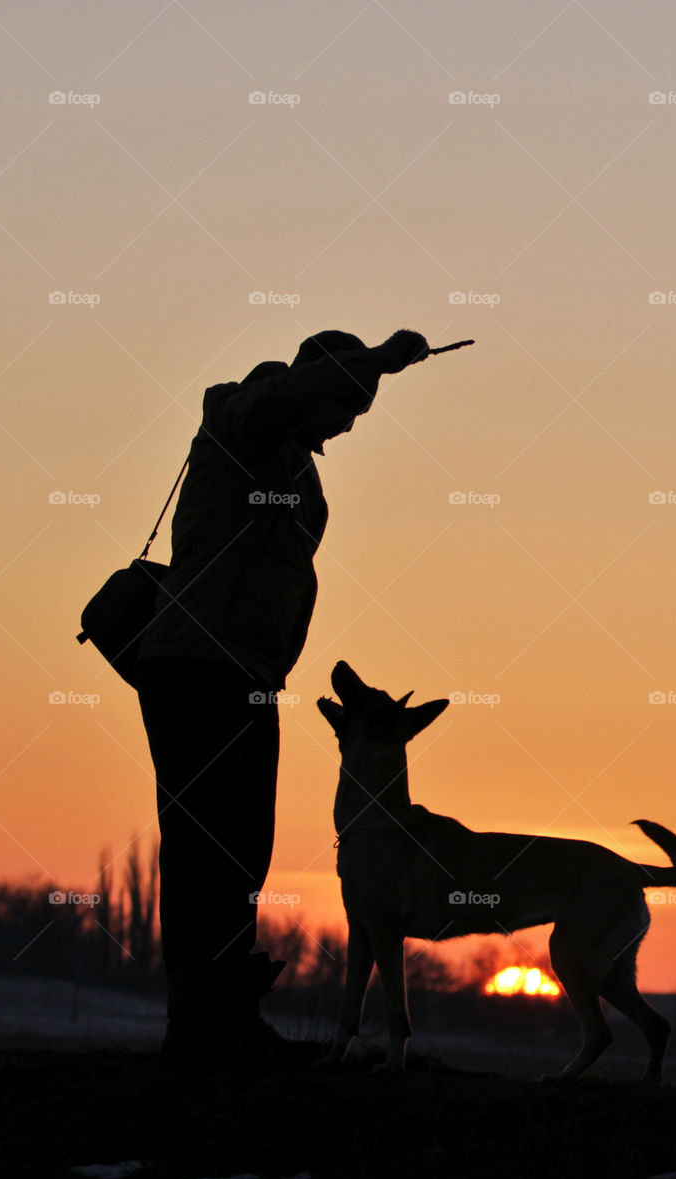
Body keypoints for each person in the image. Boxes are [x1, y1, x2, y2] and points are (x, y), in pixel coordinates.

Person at [134, 328, 429, 1069]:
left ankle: (227, 1017)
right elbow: (283, 400)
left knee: (240, 851)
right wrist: (376, 360)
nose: (350, 423)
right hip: (197, 664)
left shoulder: (291, 457)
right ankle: (195, 1029)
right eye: (348, 403)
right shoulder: (244, 418)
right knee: (204, 847)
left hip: (247, 673)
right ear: (319, 383)